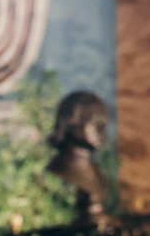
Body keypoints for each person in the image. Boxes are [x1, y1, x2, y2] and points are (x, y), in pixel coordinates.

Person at [45, 91, 108, 223]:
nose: (100, 130)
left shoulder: (95, 170)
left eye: (101, 123)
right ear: (70, 123)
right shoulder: (60, 170)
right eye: (92, 122)